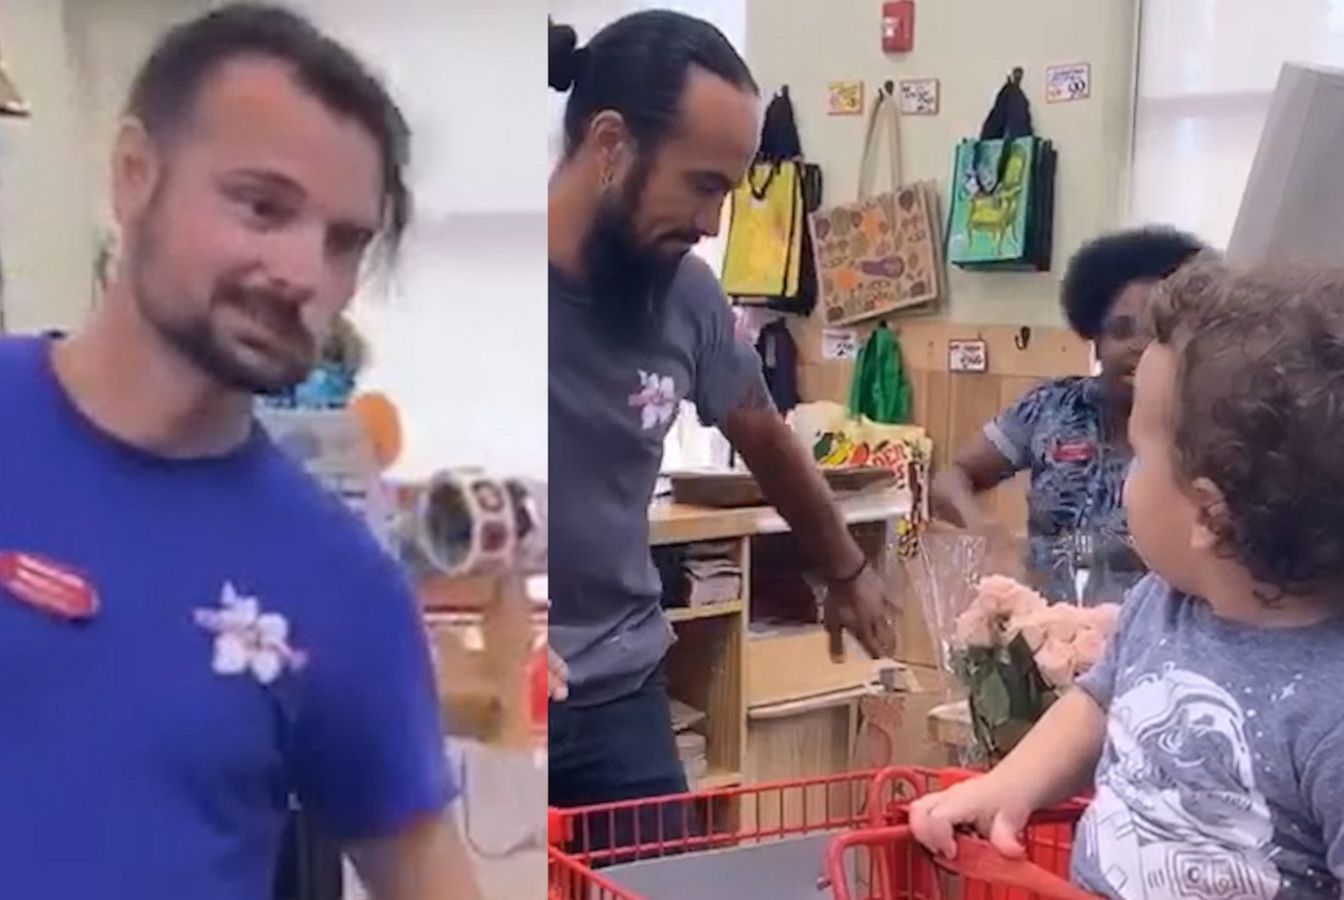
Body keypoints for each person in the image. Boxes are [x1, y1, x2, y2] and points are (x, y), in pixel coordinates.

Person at [0, 7, 478, 899]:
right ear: (135, 177)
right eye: (262, 206)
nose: (303, 272)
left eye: (343, 241)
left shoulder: (343, 583)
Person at [546, 11, 896, 816]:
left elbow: (765, 436)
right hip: (474, 695)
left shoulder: (687, 297)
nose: (712, 225)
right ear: (610, 145)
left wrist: (844, 568)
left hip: (616, 688)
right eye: (703, 185)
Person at [909, 260, 1344, 899]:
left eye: (1139, 455)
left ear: (1207, 511)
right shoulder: (1161, 606)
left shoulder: (1330, 709)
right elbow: (1094, 705)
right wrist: (1009, 786)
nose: (1127, 477)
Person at [931, 227, 1205, 601]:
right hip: (1048, 632)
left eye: (1159, 334)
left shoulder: (1208, 427)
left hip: (1155, 644)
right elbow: (951, 477)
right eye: (1121, 330)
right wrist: (983, 530)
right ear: (1093, 338)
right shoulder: (1051, 407)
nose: (1139, 348)